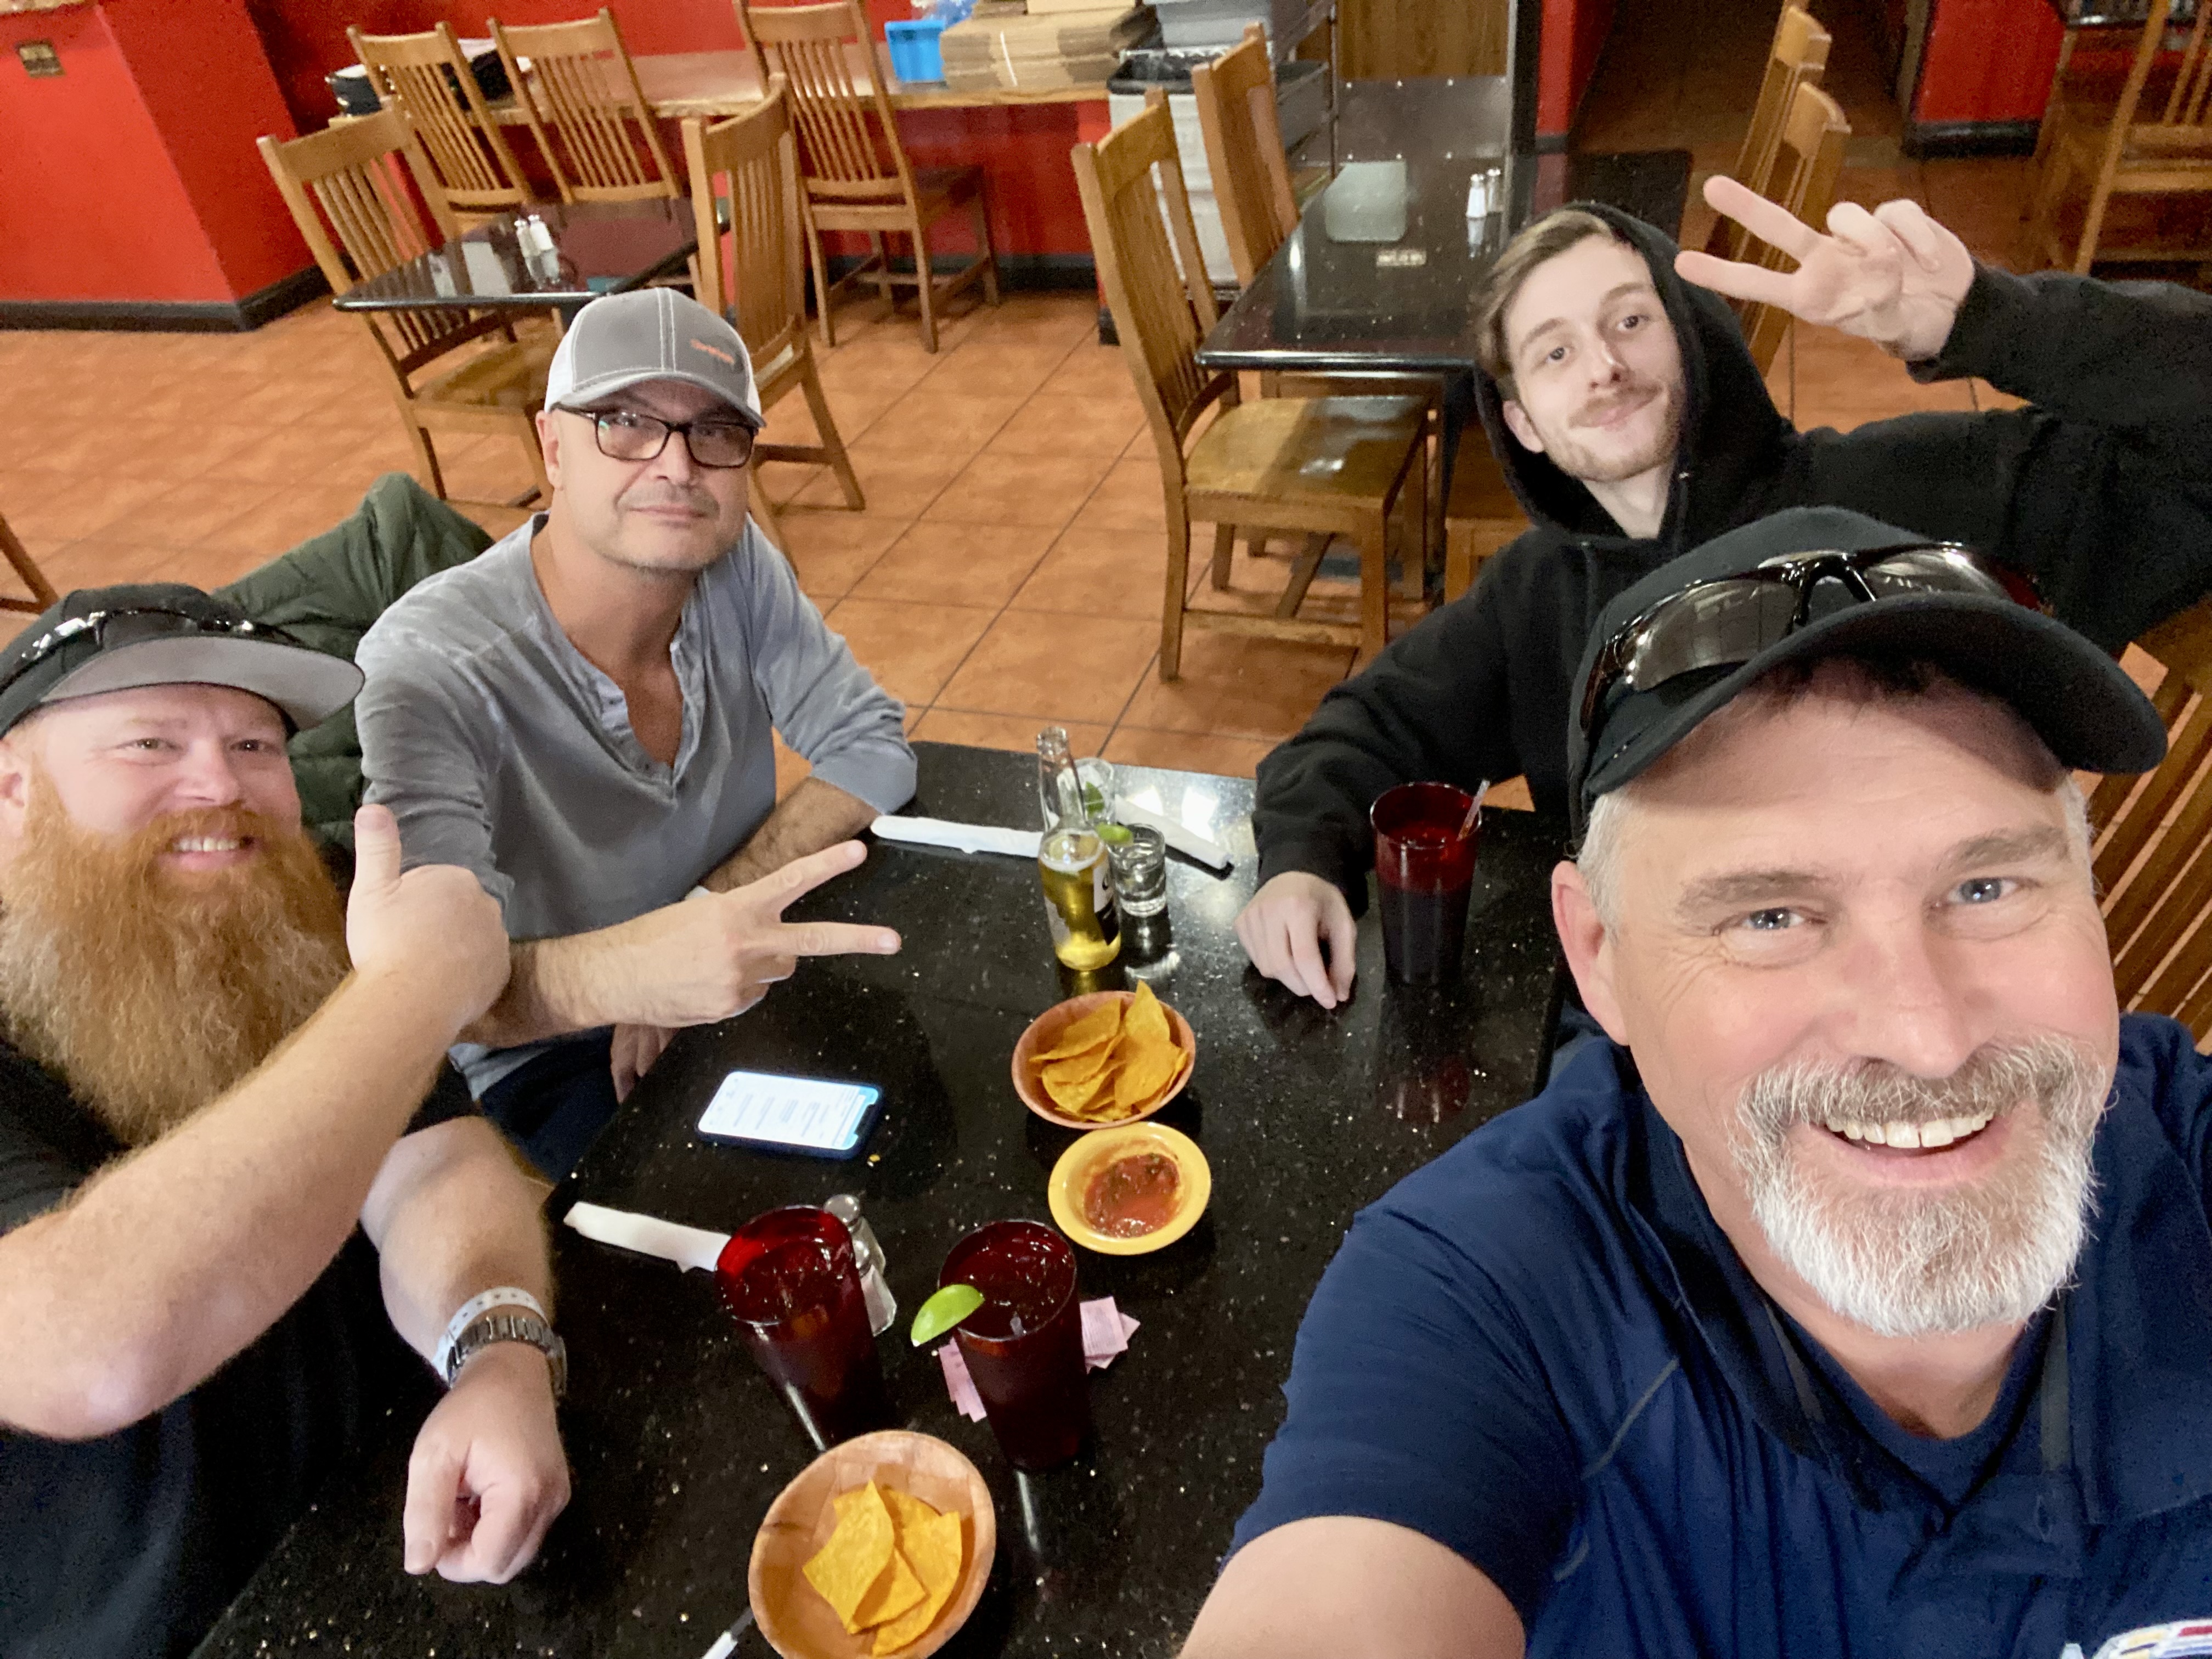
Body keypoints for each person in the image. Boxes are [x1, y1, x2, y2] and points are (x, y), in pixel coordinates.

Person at [1181, 506, 2212, 1657]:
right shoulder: (1492, 1300)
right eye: (1770, 916)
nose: (1925, 1038)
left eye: (1987, 889)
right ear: (1599, 960)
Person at [1238, 177, 2212, 1009]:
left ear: (1692, 334)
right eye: (1555, 353)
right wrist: (1297, 862)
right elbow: (1365, 731)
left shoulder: (1897, 502)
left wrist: (1986, 319)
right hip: (1653, 1033)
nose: (1605, 368)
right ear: (1524, 422)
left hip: (1917, 1005)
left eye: (1630, 321)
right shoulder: (1536, 593)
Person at [0, 585, 570, 1659]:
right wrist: (414, 992)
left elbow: (434, 1166)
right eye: (151, 742)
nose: (221, 785)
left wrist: (497, 1351)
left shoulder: (287, 899)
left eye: (255, 743)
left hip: (416, 1503)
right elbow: (84, 1346)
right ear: (13, 792)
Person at [356, 287, 916, 1177]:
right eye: (624, 424)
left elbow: (873, 745)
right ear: (553, 447)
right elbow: (432, 992)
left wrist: (704, 915)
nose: (677, 467)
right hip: (555, 1049)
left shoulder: (733, 562)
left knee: (922, 1128)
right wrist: (636, 976)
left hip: (738, 959)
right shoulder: (431, 666)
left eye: (715, 431)